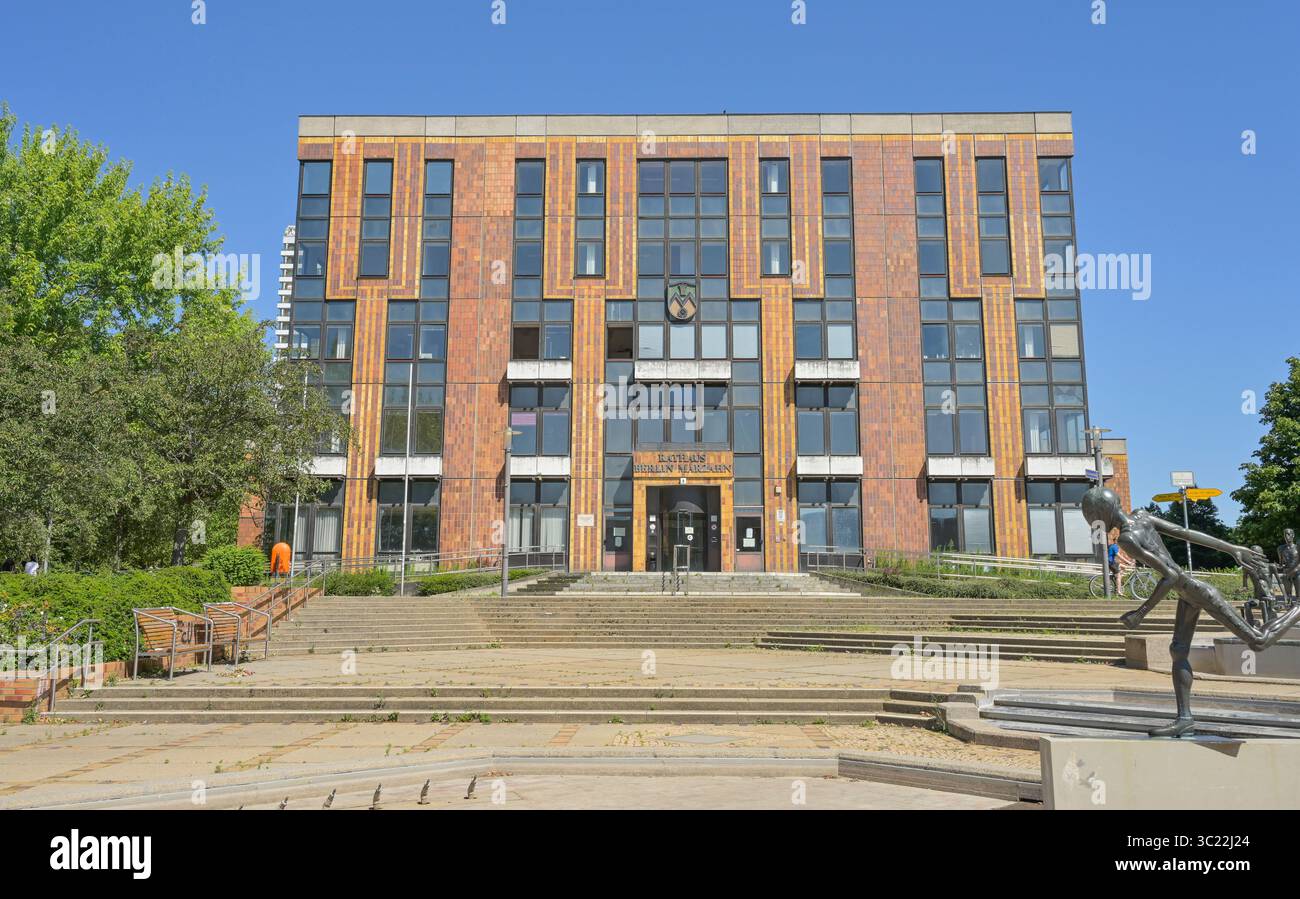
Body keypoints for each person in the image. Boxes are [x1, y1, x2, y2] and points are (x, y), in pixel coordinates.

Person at [1084, 486, 1300, 737]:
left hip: (1197, 592)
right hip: (1188, 595)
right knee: (1178, 651)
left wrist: (1141, 612)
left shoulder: (1126, 539)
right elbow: (1186, 533)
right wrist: (1230, 548)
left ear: (1101, 514)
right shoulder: (1141, 515)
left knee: (1259, 641)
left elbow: (1170, 575)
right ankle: (1185, 718)